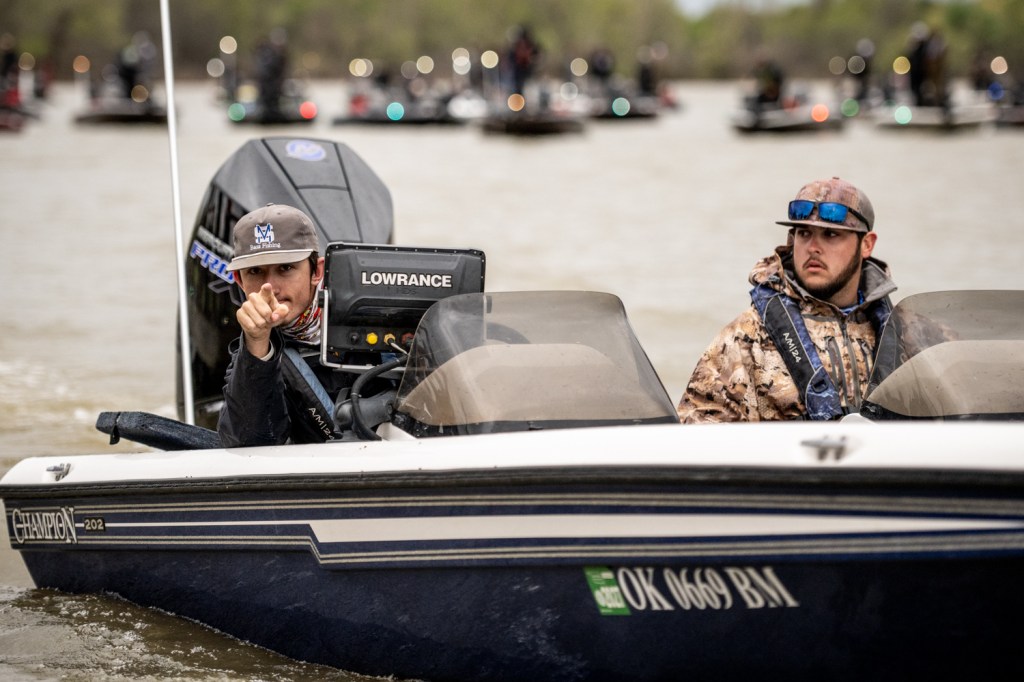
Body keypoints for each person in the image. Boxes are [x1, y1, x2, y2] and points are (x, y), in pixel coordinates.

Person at [677, 177, 897, 423]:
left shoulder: (903, 337)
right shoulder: (747, 337)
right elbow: (695, 433)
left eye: (831, 234)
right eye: (804, 233)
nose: (813, 247)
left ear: (866, 244)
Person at [217, 203, 346, 447]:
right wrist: (257, 343)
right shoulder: (247, 354)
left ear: (317, 271)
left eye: (285, 268)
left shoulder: (367, 317)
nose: (270, 287)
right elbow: (248, 446)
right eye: (255, 271)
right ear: (239, 280)